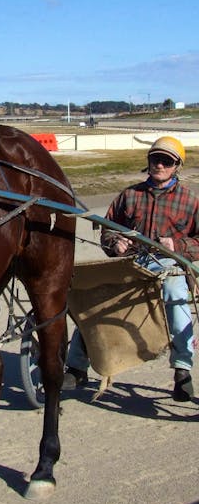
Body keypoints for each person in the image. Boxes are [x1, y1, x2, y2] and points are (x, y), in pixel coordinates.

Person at [65, 136, 199, 402]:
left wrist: (175, 245)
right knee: (96, 298)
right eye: (155, 159)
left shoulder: (190, 200)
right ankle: (77, 368)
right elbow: (107, 230)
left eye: (166, 161)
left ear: (177, 166)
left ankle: (182, 370)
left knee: (175, 293)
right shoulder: (129, 195)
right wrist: (115, 243)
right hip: (131, 264)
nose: (159, 165)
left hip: (169, 264)